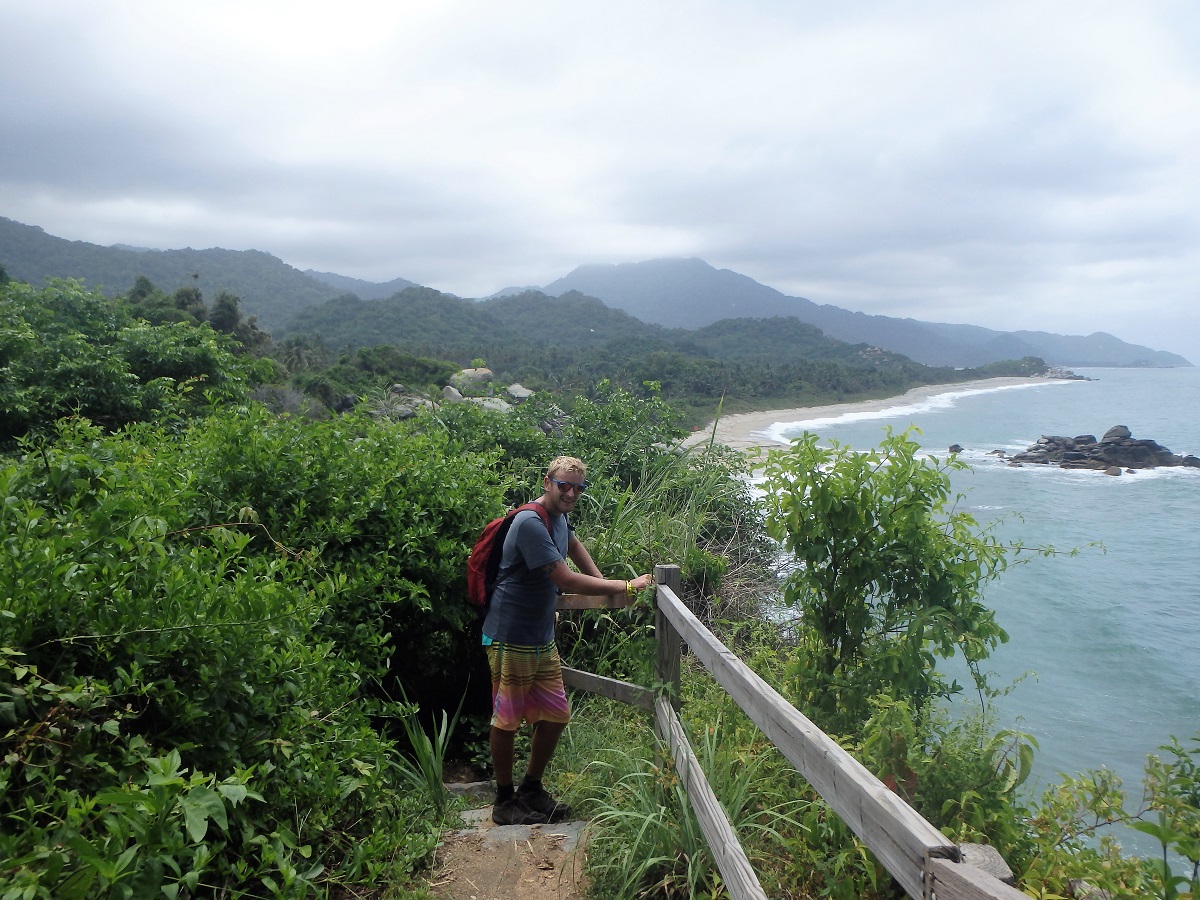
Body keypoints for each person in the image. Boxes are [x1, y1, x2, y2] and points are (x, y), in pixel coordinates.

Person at [481, 456, 654, 825]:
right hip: (511, 634)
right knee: (507, 719)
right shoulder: (530, 523)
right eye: (564, 485)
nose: (571, 493)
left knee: (557, 714)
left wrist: (608, 588)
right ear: (548, 483)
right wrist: (623, 586)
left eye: (578, 487)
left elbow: (575, 549)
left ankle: (531, 788)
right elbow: (565, 579)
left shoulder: (559, 520)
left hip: (540, 635)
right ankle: (503, 800)